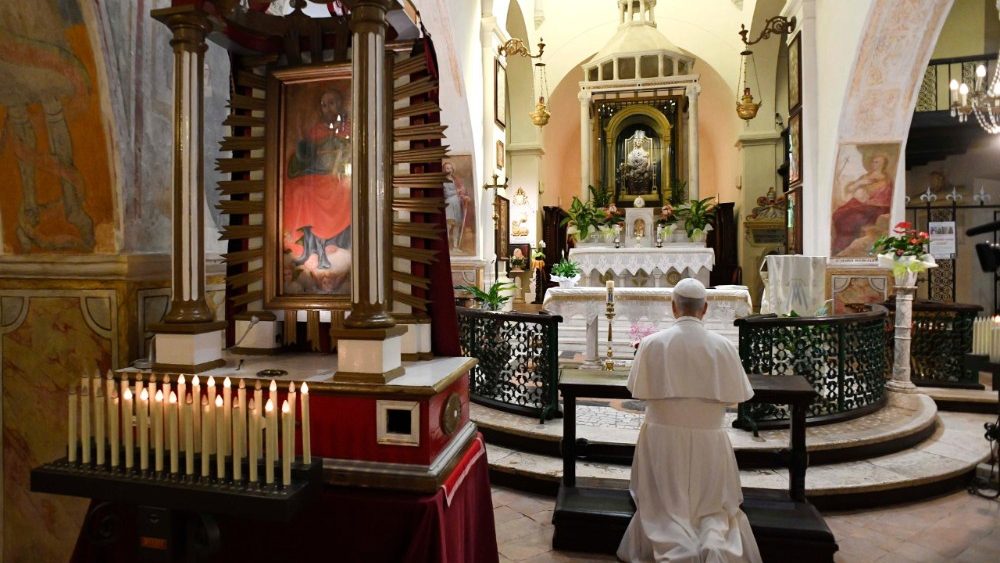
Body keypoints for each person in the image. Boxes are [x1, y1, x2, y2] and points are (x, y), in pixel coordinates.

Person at [618, 278, 760, 563]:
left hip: (661, 441)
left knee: (664, 508)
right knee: (711, 511)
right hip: (709, 440)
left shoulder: (651, 344)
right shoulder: (723, 346)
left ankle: (677, 546)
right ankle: (712, 541)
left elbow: (636, 390)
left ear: (673, 307)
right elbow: (739, 394)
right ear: (705, 309)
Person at [283, 88, 352, 271]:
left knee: (347, 190)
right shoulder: (317, 130)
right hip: (317, 176)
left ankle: (339, 244)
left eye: (331, 103)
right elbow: (307, 156)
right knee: (297, 190)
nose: (327, 109)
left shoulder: (350, 128)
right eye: (324, 105)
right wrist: (301, 144)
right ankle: (301, 247)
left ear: (339, 104)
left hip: (339, 179)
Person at [831, 152, 893, 256]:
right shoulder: (866, 176)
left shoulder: (886, 180)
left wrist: (870, 199)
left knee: (854, 218)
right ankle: (840, 247)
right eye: (873, 162)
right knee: (839, 213)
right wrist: (859, 183)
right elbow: (850, 189)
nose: (874, 164)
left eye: (877, 162)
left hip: (878, 208)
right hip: (864, 205)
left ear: (883, 164)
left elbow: (886, 198)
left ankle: (846, 246)